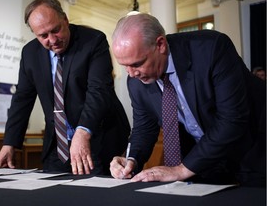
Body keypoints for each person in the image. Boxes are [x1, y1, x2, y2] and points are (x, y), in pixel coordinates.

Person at [109, 13, 266, 187]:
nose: (131, 74)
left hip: (255, 148)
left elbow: (232, 119)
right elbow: (144, 127)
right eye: (125, 66)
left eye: (137, 64)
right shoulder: (136, 81)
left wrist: (181, 170)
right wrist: (132, 159)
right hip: (204, 161)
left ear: (160, 44)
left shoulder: (212, 48)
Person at [0, 0, 130, 175]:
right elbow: (22, 99)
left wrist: (83, 132)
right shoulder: (30, 53)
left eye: (56, 30)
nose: (52, 40)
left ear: (65, 19)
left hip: (98, 138)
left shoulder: (93, 41)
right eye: (43, 36)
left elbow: (99, 91)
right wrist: (10, 143)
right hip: (57, 145)